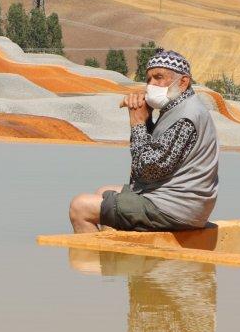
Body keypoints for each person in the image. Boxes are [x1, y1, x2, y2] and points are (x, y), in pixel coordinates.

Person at [69, 49, 219, 234]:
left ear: (183, 82)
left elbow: (147, 170)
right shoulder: (178, 108)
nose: (151, 85)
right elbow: (156, 153)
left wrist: (138, 123)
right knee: (103, 192)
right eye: (148, 79)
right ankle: (117, 251)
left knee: (80, 207)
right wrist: (147, 118)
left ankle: (100, 254)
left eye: (158, 77)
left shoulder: (186, 117)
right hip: (179, 202)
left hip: (175, 208)